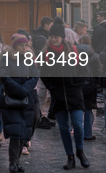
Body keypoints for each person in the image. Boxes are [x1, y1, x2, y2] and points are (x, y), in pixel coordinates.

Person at [40, 17, 90, 170]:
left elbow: (84, 70)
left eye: (56, 36)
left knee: (78, 125)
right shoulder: (46, 53)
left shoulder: (74, 50)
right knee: (63, 128)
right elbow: (43, 73)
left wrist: (78, 84)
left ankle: (80, 151)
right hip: (59, 97)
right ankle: (70, 156)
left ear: (62, 37)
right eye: (52, 36)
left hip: (75, 94)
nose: (54, 39)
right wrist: (52, 88)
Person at [0, 34, 39, 173]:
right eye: (22, 45)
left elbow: (35, 75)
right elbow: (4, 77)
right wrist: (19, 89)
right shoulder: (7, 58)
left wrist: (25, 89)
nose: (25, 48)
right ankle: (13, 163)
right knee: (16, 132)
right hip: (13, 100)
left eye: (26, 45)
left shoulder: (29, 58)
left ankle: (17, 162)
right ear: (15, 45)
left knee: (25, 132)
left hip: (27, 99)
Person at [76, 34, 103, 141]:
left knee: (76, 109)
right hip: (90, 85)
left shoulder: (73, 53)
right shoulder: (95, 55)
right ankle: (87, 133)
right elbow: (98, 71)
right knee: (88, 109)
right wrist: (96, 83)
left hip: (76, 84)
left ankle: (75, 131)